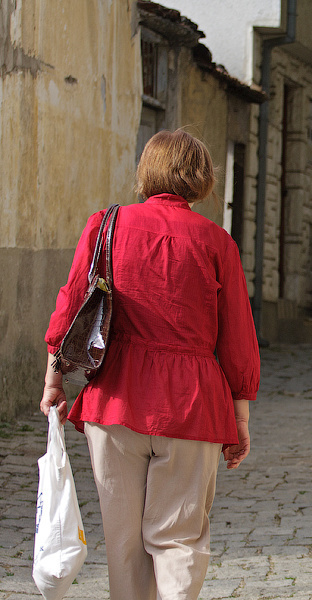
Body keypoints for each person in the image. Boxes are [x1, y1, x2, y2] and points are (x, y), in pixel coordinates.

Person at [40, 129, 260, 600]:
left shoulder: (106, 226)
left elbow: (71, 305)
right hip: (192, 404)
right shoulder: (217, 242)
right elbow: (238, 337)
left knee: (122, 544)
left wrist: (54, 381)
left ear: (146, 172)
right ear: (201, 179)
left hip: (115, 400)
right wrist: (240, 418)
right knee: (179, 537)